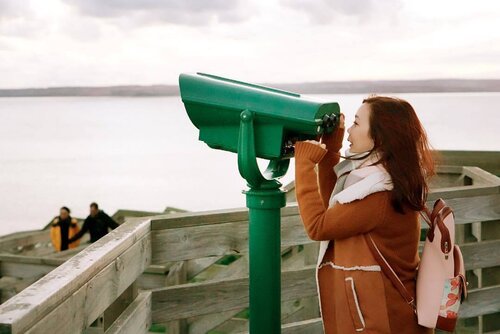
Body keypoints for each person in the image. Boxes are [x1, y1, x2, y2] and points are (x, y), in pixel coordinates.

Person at [294, 96, 435, 333]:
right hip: (379, 310)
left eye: (357, 123)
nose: (349, 129)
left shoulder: (378, 193)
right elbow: (336, 205)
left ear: (379, 137)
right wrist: (331, 150)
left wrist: (303, 165)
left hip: (381, 319)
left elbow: (318, 226)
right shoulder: (380, 175)